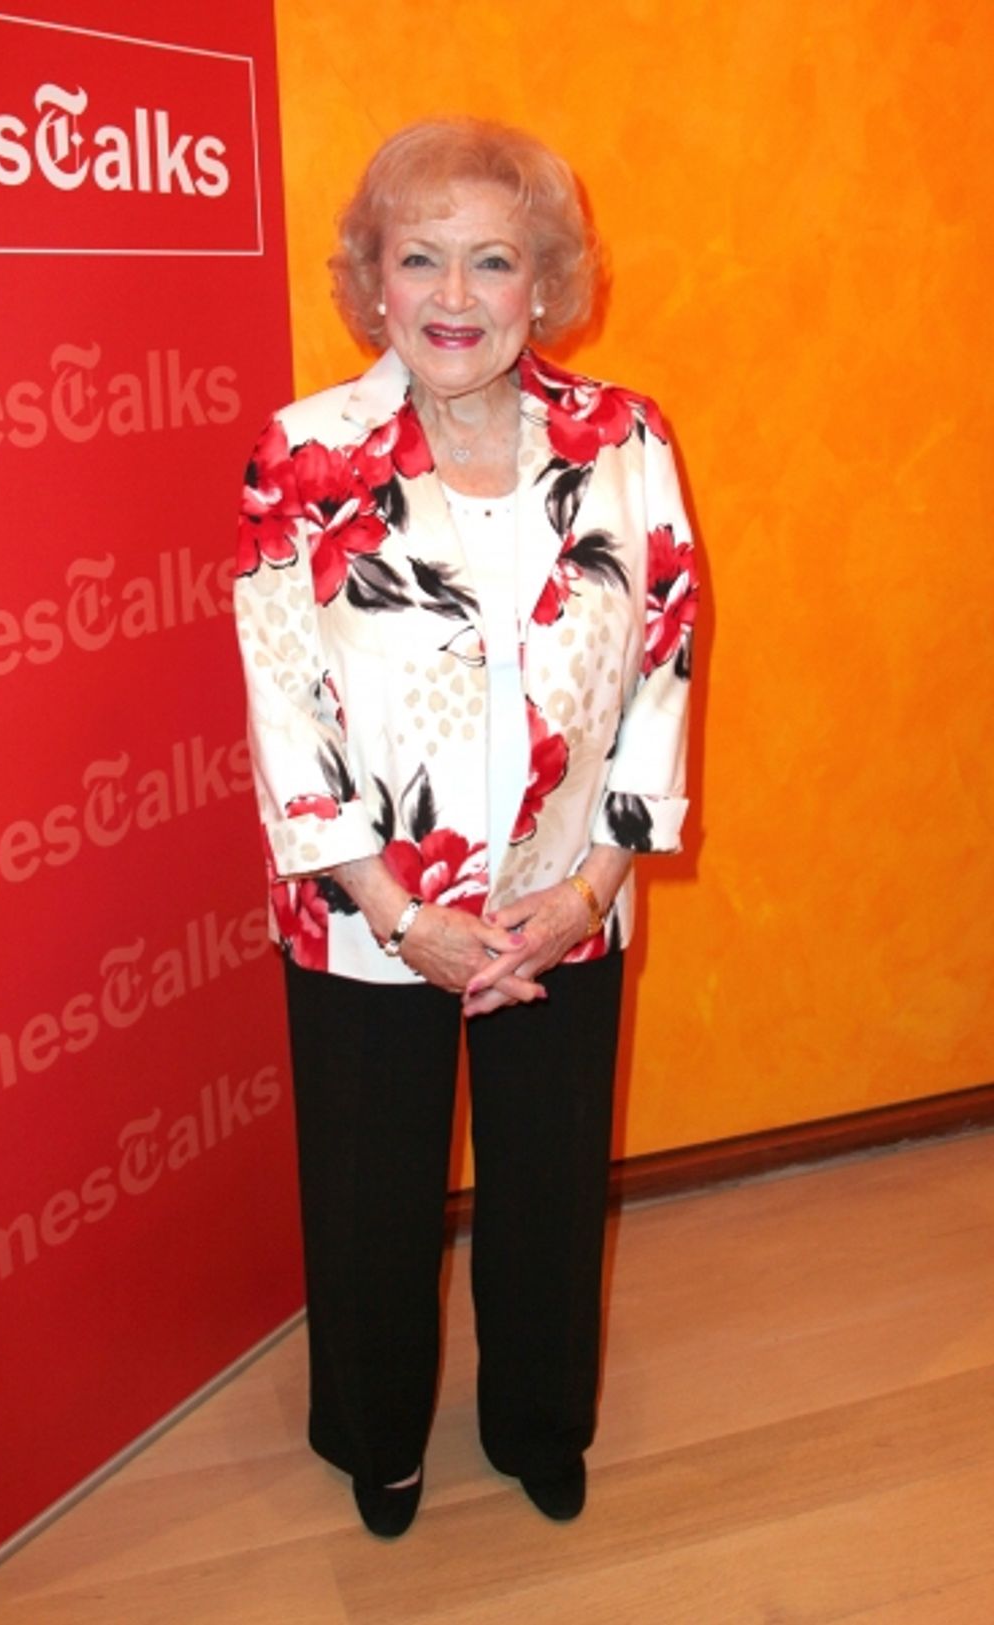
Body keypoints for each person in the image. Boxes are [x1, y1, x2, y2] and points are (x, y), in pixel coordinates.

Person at [233, 117, 697, 1538]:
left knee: (550, 1188)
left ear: (542, 283)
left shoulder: (625, 438)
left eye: (491, 260)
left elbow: (665, 653)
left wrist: (598, 876)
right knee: (373, 1202)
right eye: (417, 256)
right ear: (372, 280)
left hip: (566, 899)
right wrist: (401, 910)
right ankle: (376, 1439)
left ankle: (540, 1422)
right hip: (375, 913)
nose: (453, 294)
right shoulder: (302, 452)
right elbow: (286, 703)